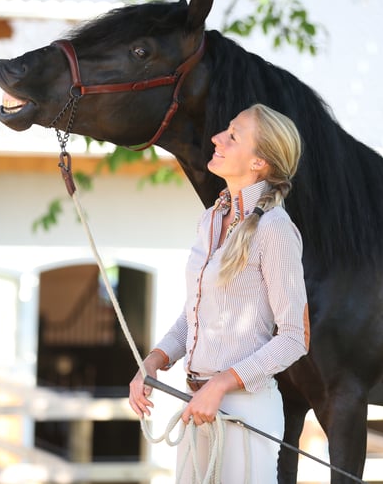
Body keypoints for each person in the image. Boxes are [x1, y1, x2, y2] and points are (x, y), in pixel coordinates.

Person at [129, 103, 309, 483]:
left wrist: (221, 384)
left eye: (232, 136)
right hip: (197, 405)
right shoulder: (210, 219)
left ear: (259, 162)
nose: (216, 138)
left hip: (244, 413)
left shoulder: (275, 229)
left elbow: (295, 337)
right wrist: (154, 361)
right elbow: (194, 313)